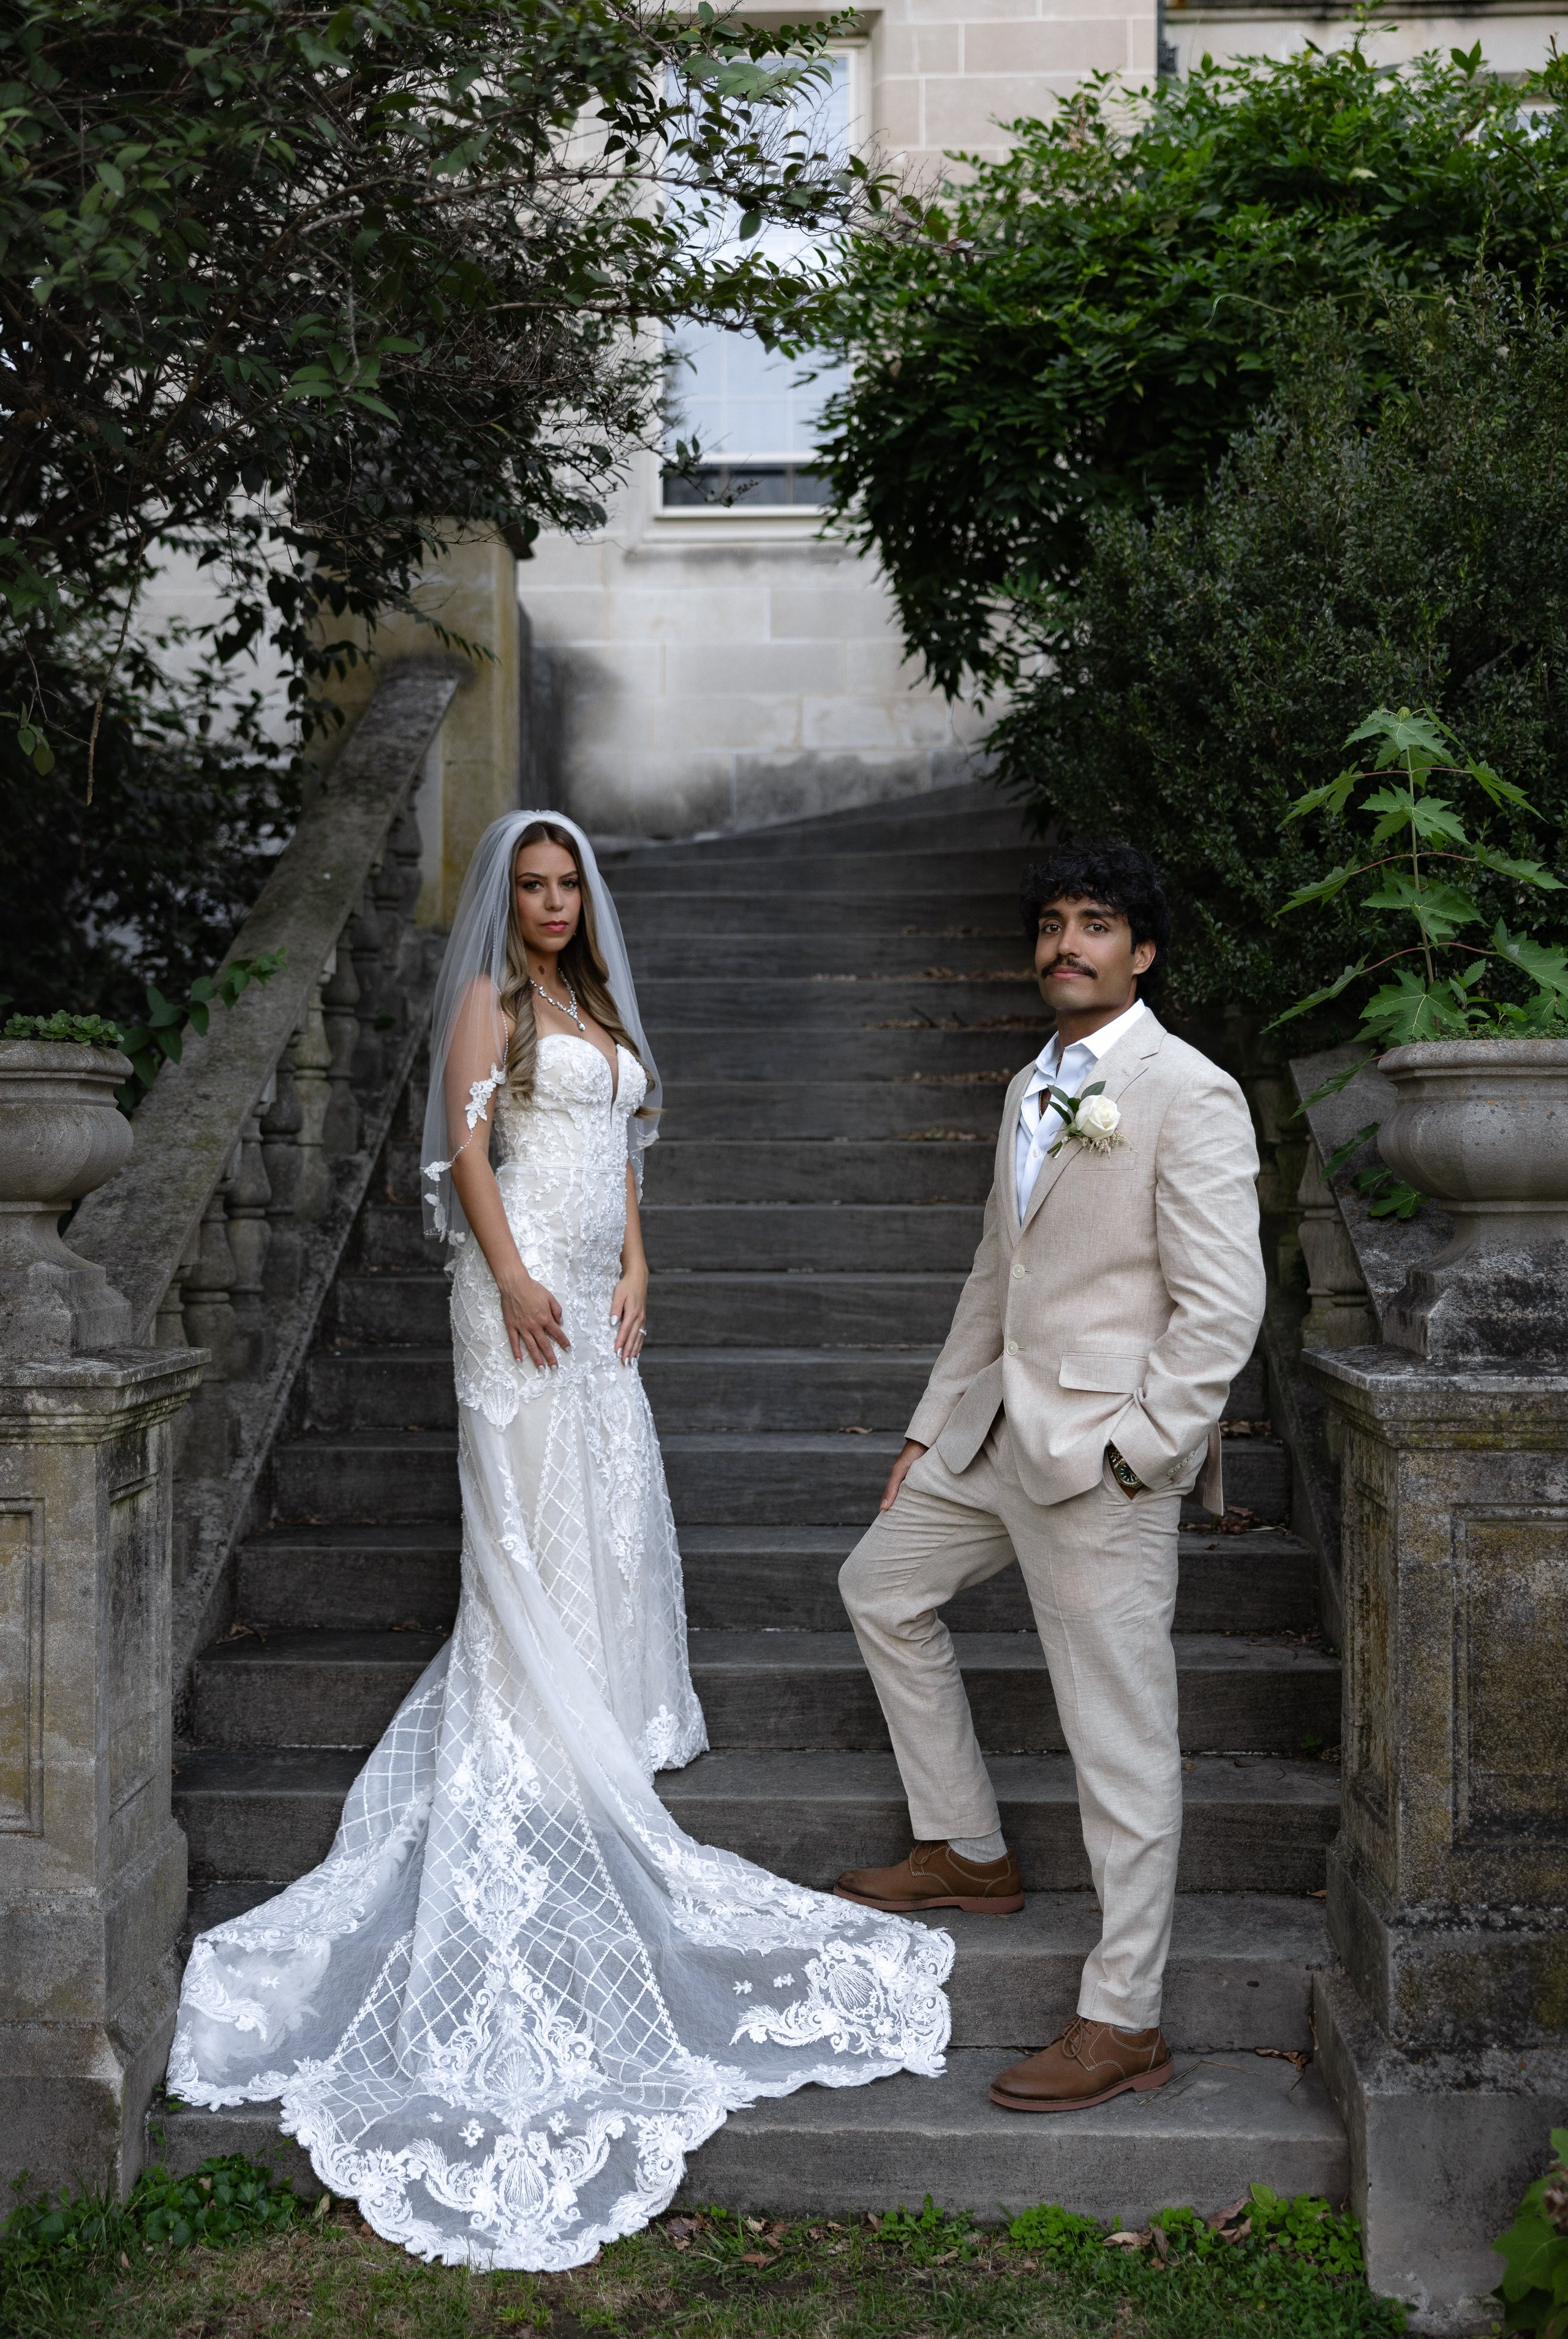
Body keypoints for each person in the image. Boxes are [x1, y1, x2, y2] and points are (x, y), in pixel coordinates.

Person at [169, 812, 951, 2268]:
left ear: (582, 898)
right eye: (526, 884)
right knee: (528, 1509)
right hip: (515, 1288)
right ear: (504, 902)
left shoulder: (593, 1002)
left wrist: (637, 1262)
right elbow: (471, 1153)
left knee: (609, 1489)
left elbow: (621, 1147)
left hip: (601, 1289)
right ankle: (540, 1709)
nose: (543, 902)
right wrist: (517, 1275)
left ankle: (609, 1691)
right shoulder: (488, 1004)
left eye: (561, 884)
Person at [834, 842, 1265, 2114]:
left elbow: (1219, 1303)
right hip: (992, 1439)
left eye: (1094, 924)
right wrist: (929, 1423)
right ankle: (964, 1845)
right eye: (1050, 923)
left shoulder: (1187, 1091)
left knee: (1119, 1743)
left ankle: (1120, 2016)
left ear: (1142, 950)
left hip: (1101, 1461)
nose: (1064, 942)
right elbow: (994, 1273)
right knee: (877, 1584)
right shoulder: (1031, 1083)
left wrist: (1145, 1448)